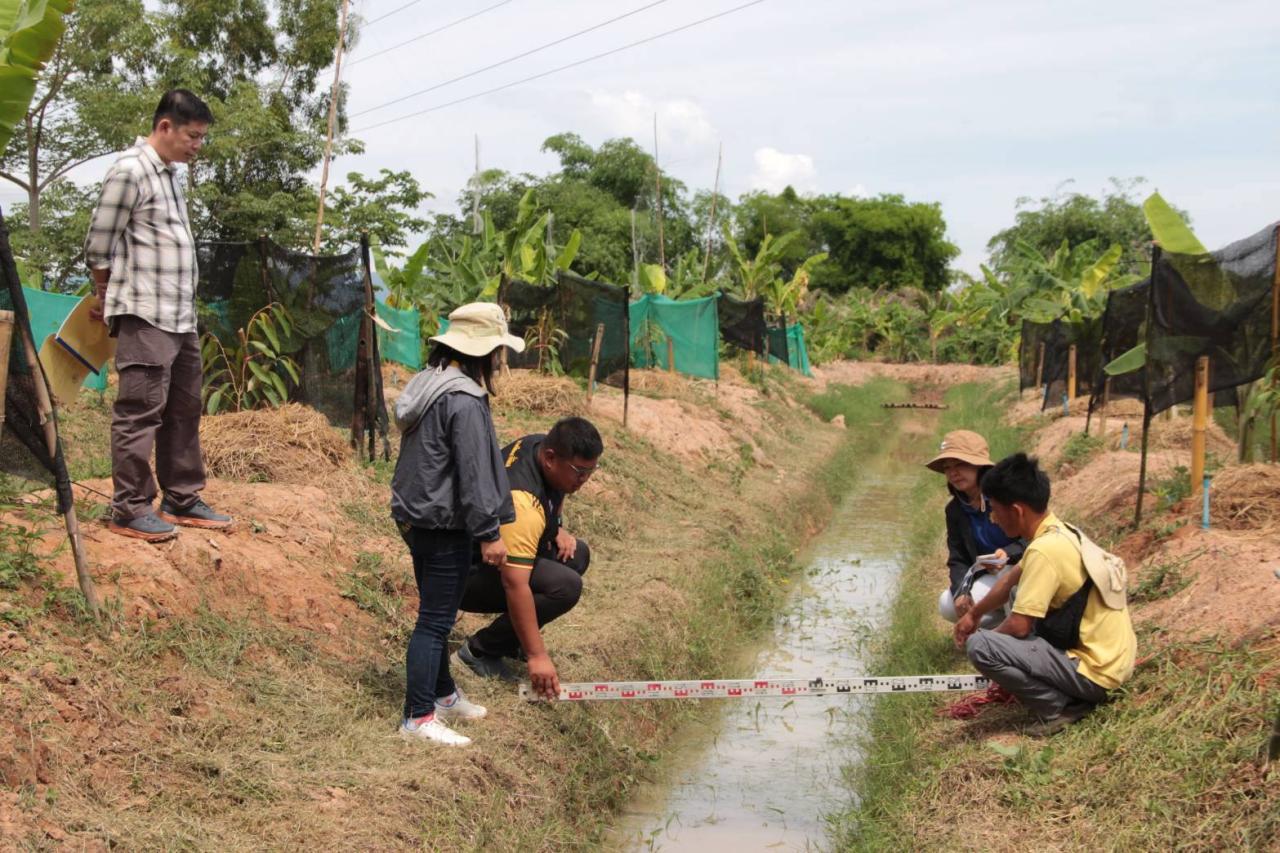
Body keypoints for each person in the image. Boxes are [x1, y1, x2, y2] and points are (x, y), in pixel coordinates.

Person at [83, 89, 230, 542]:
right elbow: (99, 242)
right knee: (140, 408)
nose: (197, 146)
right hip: (146, 311)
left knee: (184, 407)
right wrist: (103, 292)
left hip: (179, 315)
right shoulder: (130, 171)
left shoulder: (170, 174)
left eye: (202, 138)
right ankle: (129, 506)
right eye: (192, 136)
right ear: (165, 127)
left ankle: (182, 496)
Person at [389, 302, 526, 747]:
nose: (501, 361)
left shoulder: (430, 381)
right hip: (443, 522)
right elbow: (473, 471)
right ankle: (418, 717)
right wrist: (489, 532)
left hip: (417, 516)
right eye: (499, 351)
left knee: (437, 614)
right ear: (486, 352)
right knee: (433, 622)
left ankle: (444, 695)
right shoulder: (464, 399)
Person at [954, 453, 1137, 736]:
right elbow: (1006, 584)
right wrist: (973, 616)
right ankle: (1062, 689)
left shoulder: (1044, 550)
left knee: (980, 646)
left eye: (995, 510)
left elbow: (1018, 626)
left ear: (1016, 511)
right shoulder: (1058, 532)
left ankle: (1061, 706)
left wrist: (991, 650)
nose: (993, 518)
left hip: (1096, 674)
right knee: (1016, 592)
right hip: (1112, 665)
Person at [453, 417, 604, 702]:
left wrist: (556, 526)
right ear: (550, 458)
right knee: (565, 586)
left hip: (497, 554)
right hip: (466, 573)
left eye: (590, 471)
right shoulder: (521, 503)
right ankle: (478, 651)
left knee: (576, 553)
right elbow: (515, 585)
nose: (584, 481)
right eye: (579, 472)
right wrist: (538, 656)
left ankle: (512, 642)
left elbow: (557, 492)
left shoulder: (541, 444)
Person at [926, 430, 1025, 628]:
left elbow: (1037, 537)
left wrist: (1007, 553)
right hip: (991, 576)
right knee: (948, 604)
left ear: (980, 467)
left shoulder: (1007, 497)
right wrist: (961, 591)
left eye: (961, 464)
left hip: (1024, 570)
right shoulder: (955, 510)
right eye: (947, 467)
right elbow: (958, 558)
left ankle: (1018, 635)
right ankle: (996, 632)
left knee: (1009, 579)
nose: (953, 472)